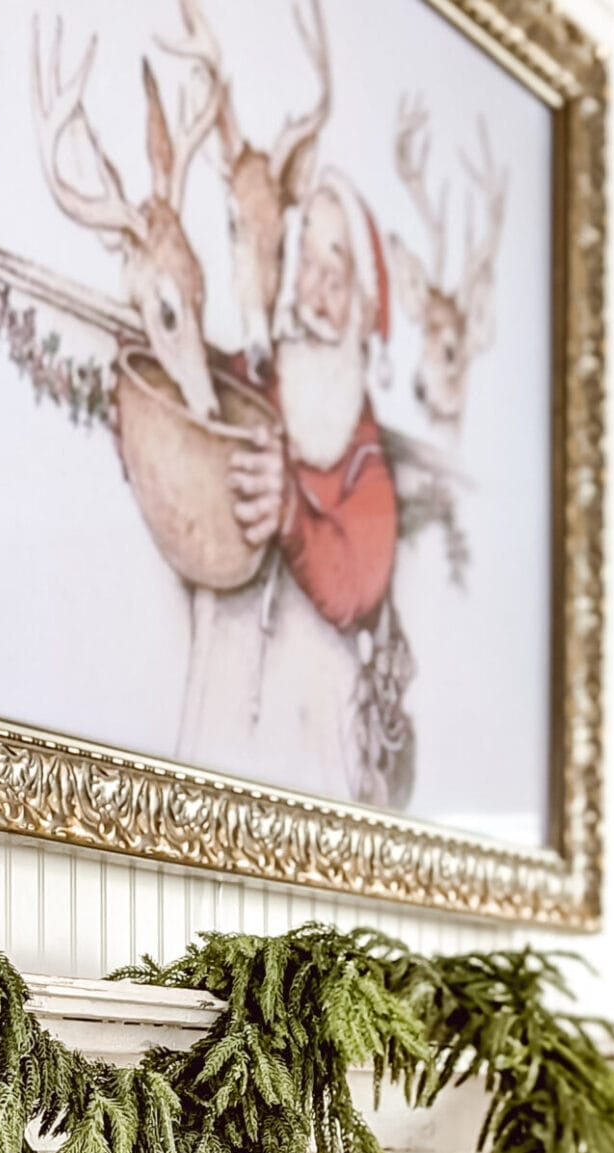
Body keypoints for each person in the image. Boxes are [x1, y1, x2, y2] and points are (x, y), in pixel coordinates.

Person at [177, 167, 408, 804]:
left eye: (338, 275)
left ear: (364, 311)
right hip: (220, 700)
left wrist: (292, 517)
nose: (317, 291)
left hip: (306, 735)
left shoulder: (364, 461)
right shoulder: (251, 384)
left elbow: (355, 585)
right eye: (307, 263)